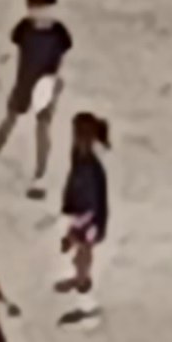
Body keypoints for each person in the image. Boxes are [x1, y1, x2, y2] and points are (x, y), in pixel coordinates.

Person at [0, 0, 72, 188]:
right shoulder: (24, 28)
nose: (39, 13)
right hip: (24, 80)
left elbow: (63, 59)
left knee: (42, 126)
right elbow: (8, 49)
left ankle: (40, 171)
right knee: (11, 117)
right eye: (35, 8)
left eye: (43, 8)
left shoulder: (59, 32)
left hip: (46, 84)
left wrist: (57, 82)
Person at [53, 110, 114, 315]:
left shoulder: (90, 168)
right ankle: (79, 279)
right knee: (81, 255)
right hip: (83, 217)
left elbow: (91, 205)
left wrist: (72, 232)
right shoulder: (80, 157)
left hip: (90, 221)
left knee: (83, 254)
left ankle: (86, 301)